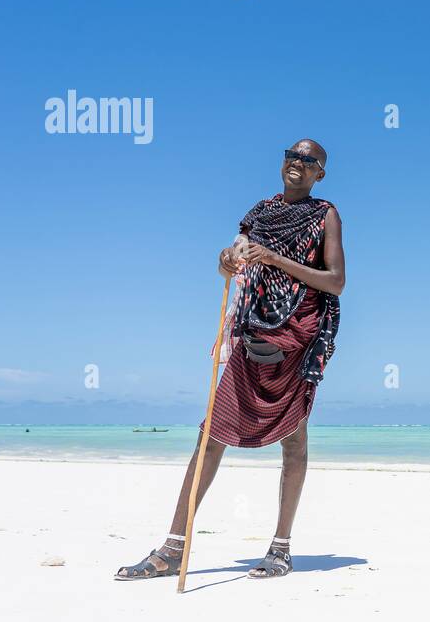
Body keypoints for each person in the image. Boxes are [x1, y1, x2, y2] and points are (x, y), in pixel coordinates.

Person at [115, 139, 345, 581]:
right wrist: (227, 261)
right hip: (251, 335)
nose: (297, 164)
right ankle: (173, 549)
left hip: (295, 343)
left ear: (320, 173)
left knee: (294, 443)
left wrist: (277, 258)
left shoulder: (325, 215)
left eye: (308, 160)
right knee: (210, 436)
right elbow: (238, 262)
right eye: (291, 156)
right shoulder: (259, 214)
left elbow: (335, 282)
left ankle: (280, 549)